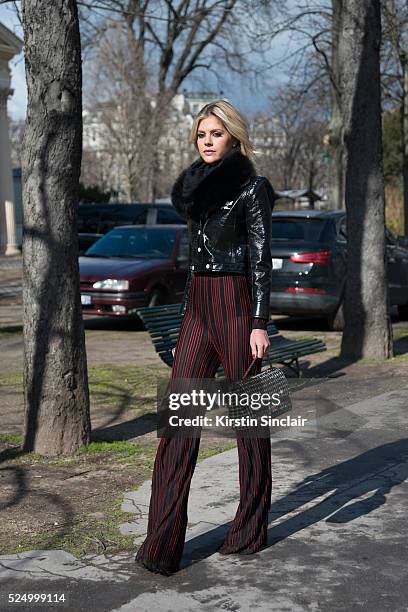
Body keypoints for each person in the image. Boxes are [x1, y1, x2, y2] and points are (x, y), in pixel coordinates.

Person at [135, 99, 276, 576]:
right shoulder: (195, 190)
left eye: (216, 133)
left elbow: (260, 257)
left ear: (233, 136)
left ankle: (250, 527)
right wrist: (185, 323)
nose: (208, 141)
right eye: (201, 135)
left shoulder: (254, 189)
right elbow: (195, 262)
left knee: (250, 425)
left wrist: (260, 322)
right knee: (176, 424)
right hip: (199, 306)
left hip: (238, 304)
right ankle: (161, 543)